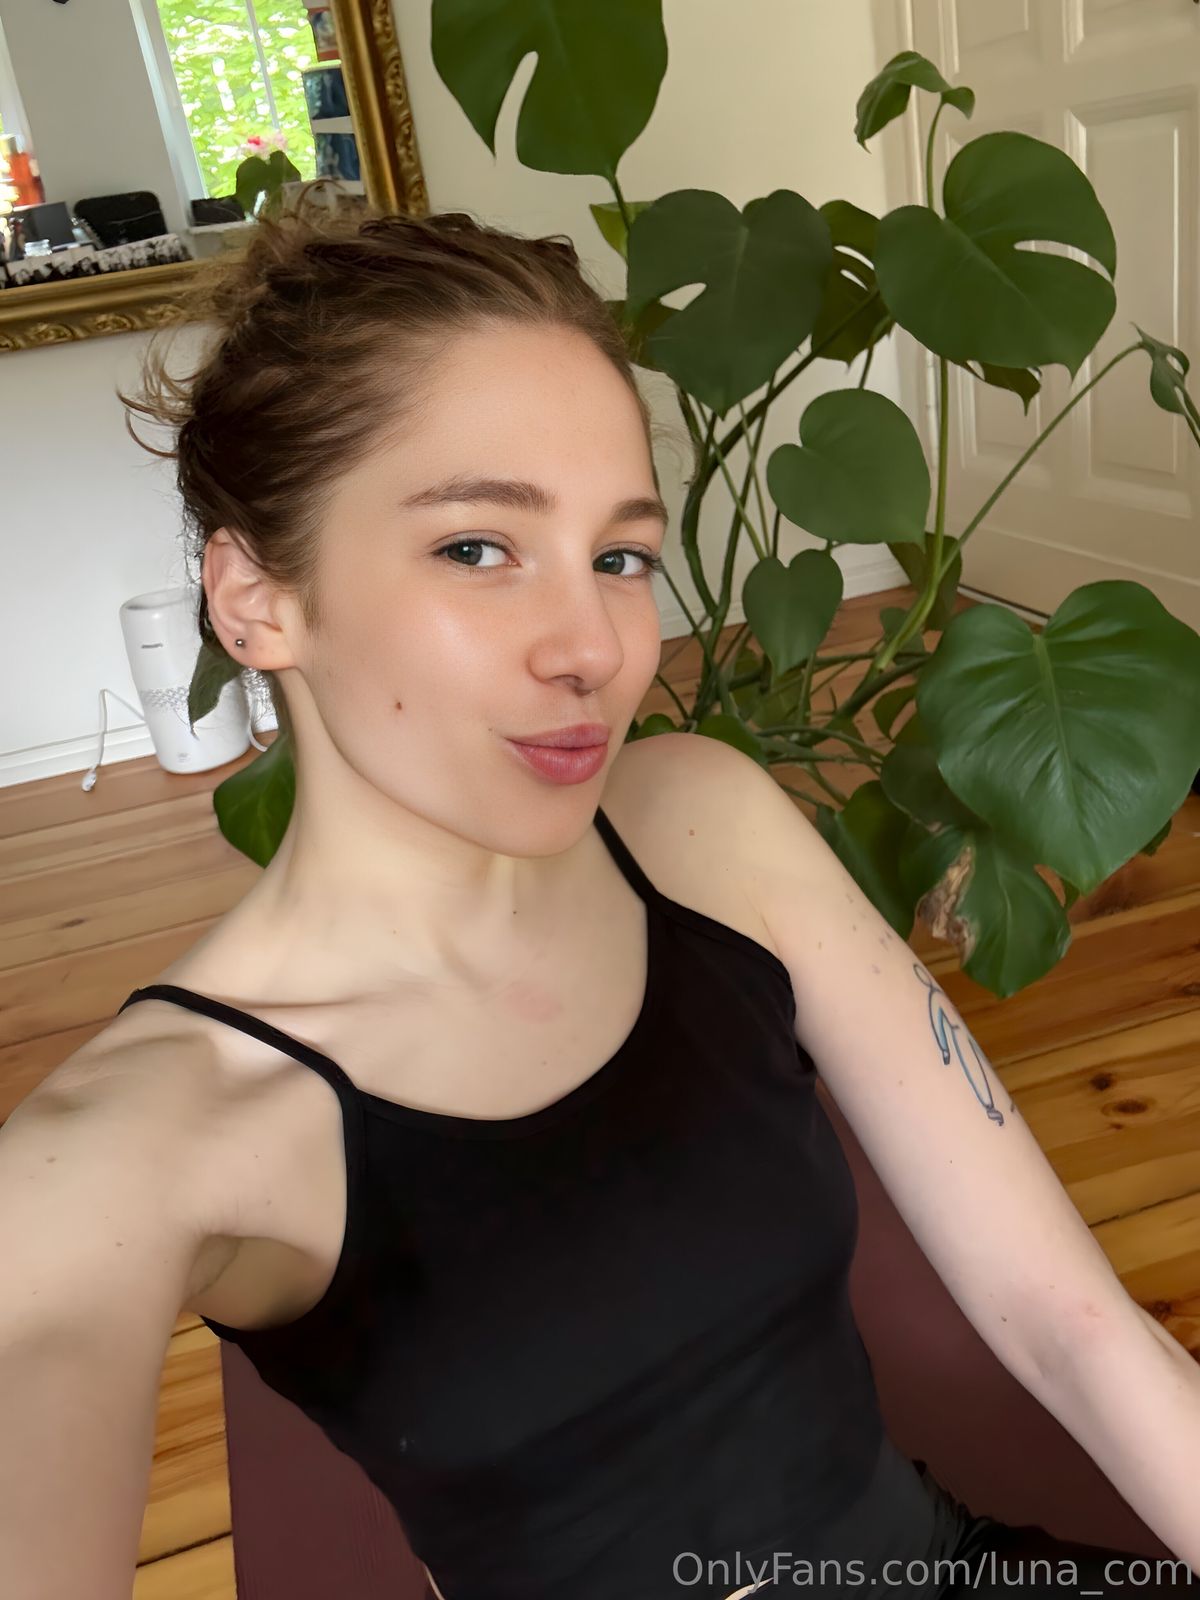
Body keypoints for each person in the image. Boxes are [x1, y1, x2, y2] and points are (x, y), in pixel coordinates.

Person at [0, 199, 1194, 1600]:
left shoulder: (699, 825)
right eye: (477, 547)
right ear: (258, 599)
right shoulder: (136, 1146)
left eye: (619, 557)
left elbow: (1069, 1322)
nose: (594, 648)